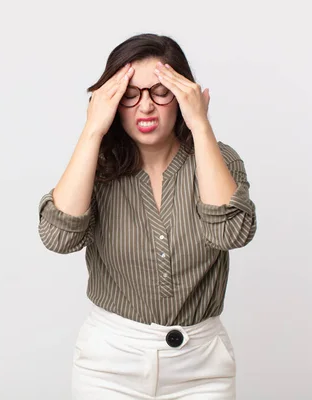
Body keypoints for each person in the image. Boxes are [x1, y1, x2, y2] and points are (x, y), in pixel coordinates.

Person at [37, 33, 257, 399]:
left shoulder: (219, 158)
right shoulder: (98, 166)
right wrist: (93, 130)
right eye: (129, 94)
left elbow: (232, 233)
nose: (146, 107)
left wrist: (201, 125)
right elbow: (59, 238)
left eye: (161, 92)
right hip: (110, 362)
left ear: (182, 95)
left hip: (203, 367)